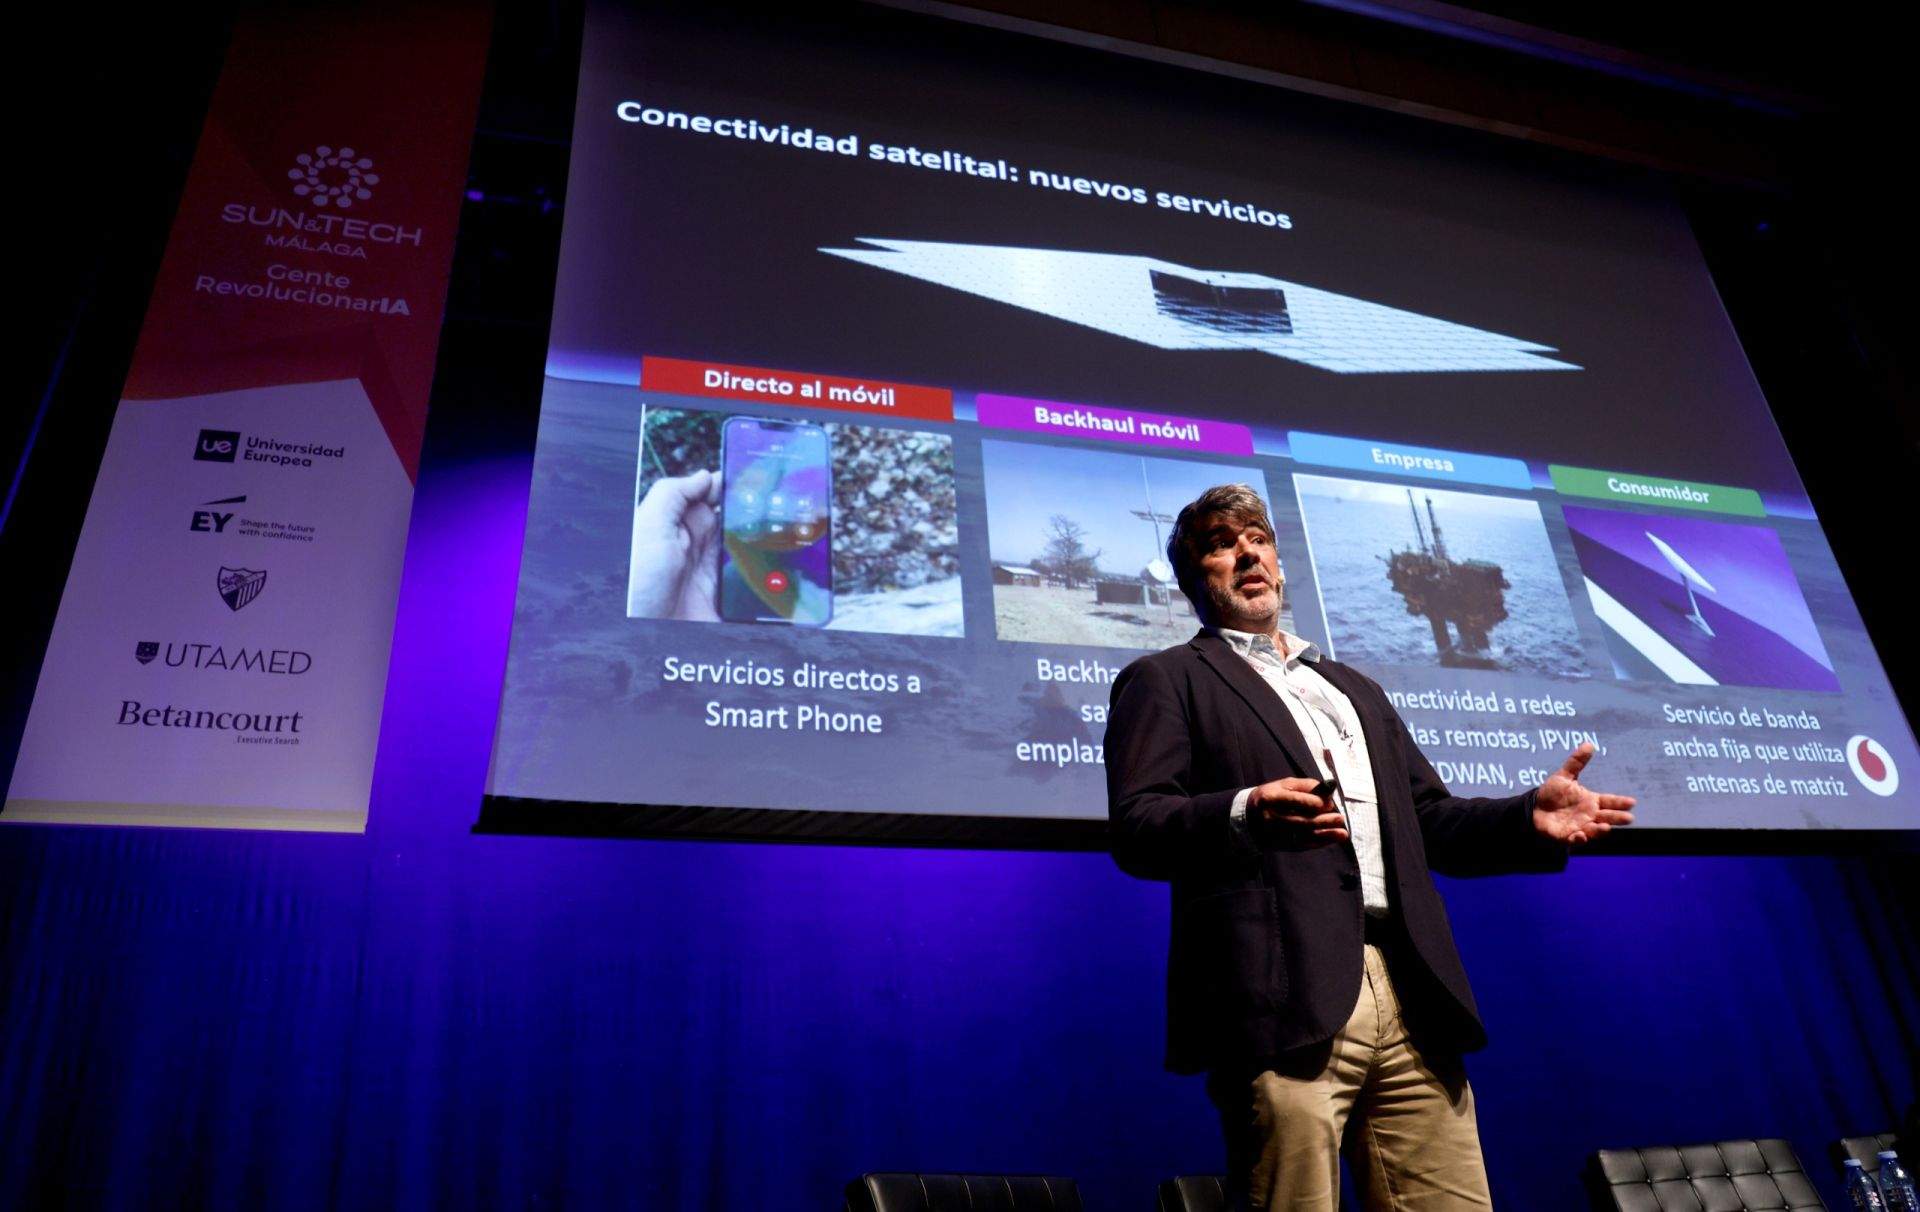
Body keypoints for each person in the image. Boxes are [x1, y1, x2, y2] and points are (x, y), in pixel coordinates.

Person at [1105, 483, 1634, 1211]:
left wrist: (1523, 819)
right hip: (1281, 992)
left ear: (1281, 563)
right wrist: (1243, 809)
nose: (1245, 552)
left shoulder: (1353, 687)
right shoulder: (1167, 679)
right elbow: (1138, 825)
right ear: (1197, 576)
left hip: (1412, 986)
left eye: (1256, 537)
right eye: (1221, 545)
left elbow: (1428, 820)